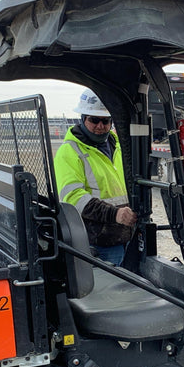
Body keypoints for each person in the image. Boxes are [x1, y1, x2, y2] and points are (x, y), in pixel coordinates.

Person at [53, 89, 137, 266]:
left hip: (126, 234)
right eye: (94, 120)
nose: (100, 126)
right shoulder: (69, 152)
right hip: (98, 241)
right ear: (83, 118)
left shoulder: (119, 146)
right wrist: (115, 214)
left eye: (105, 121)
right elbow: (74, 198)